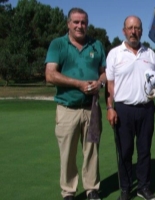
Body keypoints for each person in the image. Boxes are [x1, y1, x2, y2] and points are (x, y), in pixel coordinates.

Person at [45, 7, 106, 200]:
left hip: (91, 107)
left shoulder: (96, 45)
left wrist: (100, 82)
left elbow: (105, 71)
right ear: (68, 24)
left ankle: (91, 189)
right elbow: (50, 75)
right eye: (76, 22)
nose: (80, 26)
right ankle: (69, 192)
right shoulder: (58, 44)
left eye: (83, 22)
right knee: (68, 153)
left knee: (92, 151)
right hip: (67, 107)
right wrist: (78, 84)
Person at [105, 15, 155, 200]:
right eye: (130, 28)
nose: (133, 31)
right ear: (124, 31)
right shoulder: (115, 53)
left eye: (137, 28)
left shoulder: (150, 54)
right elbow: (110, 85)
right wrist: (110, 107)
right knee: (125, 150)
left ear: (141, 31)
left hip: (146, 109)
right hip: (123, 109)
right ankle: (125, 188)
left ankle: (143, 186)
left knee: (145, 150)